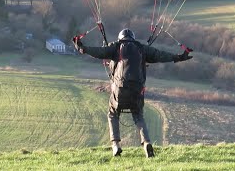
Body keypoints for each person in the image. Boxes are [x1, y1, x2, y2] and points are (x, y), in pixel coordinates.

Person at [72, 28, 193, 158]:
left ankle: (115, 145)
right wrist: (180, 57)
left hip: (120, 89)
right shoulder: (142, 48)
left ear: (120, 38)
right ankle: (146, 143)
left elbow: (98, 51)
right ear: (133, 38)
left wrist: (81, 47)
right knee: (138, 115)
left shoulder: (115, 47)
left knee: (113, 113)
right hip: (137, 89)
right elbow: (161, 55)